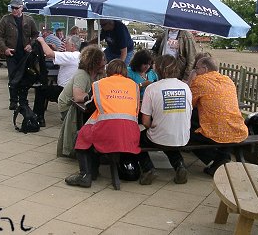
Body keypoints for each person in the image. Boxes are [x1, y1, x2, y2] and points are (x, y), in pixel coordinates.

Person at [65, 59, 141, 188]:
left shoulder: (100, 84)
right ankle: (94, 171)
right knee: (91, 133)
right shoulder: (134, 86)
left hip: (107, 130)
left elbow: (89, 106)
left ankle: (85, 175)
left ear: (108, 70)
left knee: (82, 135)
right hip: (131, 133)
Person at [138, 55, 192, 185]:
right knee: (168, 138)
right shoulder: (185, 87)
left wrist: (154, 127)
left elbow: (145, 122)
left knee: (136, 139)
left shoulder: (152, 88)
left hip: (161, 136)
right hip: (183, 136)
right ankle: (180, 166)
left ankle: (148, 168)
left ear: (159, 69)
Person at [189, 57, 248, 176]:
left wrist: (191, 78)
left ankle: (216, 159)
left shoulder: (200, 80)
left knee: (185, 134)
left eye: (196, 68)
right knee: (221, 124)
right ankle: (222, 158)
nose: (195, 71)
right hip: (237, 128)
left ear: (205, 69)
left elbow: (188, 102)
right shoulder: (227, 80)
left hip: (216, 132)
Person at [57, 45, 106, 157]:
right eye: (102, 60)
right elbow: (78, 97)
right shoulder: (82, 74)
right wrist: (93, 96)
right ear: (95, 61)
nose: (104, 63)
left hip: (84, 106)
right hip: (68, 107)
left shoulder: (99, 75)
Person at [0, 0, 39, 110]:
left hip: (25, 54)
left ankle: (23, 99)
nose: (14, 10)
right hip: (12, 53)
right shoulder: (6, 19)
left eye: (16, 8)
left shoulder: (29, 20)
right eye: (12, 8)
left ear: (21, 8)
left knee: (25, 76)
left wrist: (31, 44)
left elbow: (35, 34)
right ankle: (13, 101)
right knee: (13, 77)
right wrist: (5, 48)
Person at [33, 35, 81, 127]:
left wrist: (42, 41)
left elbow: (49, 53)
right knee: (47, 88)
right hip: (73, 89)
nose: (64, 45)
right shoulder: (79, 56)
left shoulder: (71, 56)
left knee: (40, 90)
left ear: (72, 46)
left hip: (65, 91)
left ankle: (39, 118)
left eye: (66, 43)